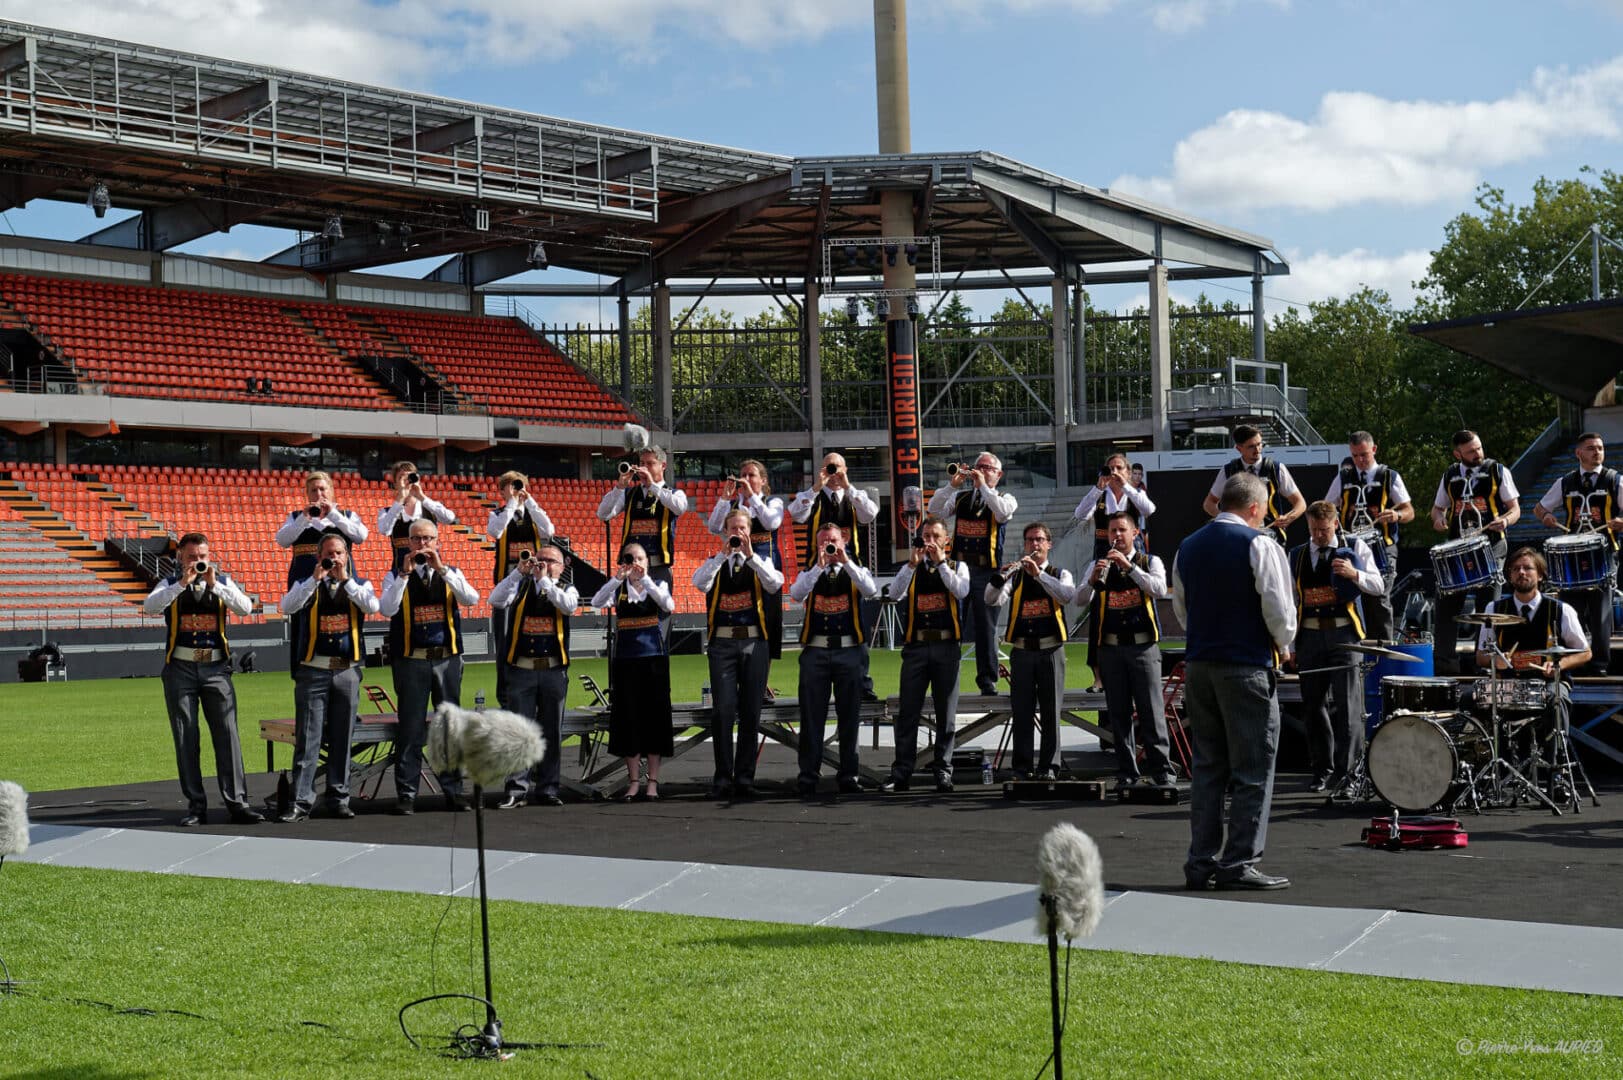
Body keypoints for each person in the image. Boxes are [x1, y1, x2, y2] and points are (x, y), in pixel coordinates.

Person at [1172, 472, 1297, 891]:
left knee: (1208, 768)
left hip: (1199, 665)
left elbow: (1182, 610)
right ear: (1257, 508)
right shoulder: (1260, 543)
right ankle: (1239, 861)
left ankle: (1200, 861)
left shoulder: (1187, 547)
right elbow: (1278, 610)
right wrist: (1284, 645)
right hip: (1244, 665)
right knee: (1253, 767)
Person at [142, 532, 264, 826]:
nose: (198, 562)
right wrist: (182, 583)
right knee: (186, 737)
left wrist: (215, 586)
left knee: (227, 735)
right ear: (180, 558)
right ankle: (196, 805)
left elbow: (245, 608)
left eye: (202, 557)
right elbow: (150, 607)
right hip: (181, 668)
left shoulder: (221, 582)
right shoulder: (169, 584)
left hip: (216, 668)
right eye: (192, 557)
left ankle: (238, 802)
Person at [276, 531, 380, 822]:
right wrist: (314, 579)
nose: (333, 558)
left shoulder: (360, 584)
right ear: (319, 556)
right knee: (308, 737)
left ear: (348, 556)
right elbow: (287, 606)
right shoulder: (306, 584)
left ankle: (339, 797)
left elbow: (372, 607)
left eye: (339, 553)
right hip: (314, 669)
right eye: (328, 554)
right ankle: (300, 800)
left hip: (347, 669)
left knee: (342, 736)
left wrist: (346, 579)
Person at [378, 518, 480, 814]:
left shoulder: (451, 573)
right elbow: (387, 609)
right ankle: (407, 794)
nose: (422, 545)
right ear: (407, 543)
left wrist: (443, 570)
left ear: (438, 542)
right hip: (412, 660)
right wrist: (403, 576)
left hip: (447, 658)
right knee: (410, 729)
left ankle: (453, 790)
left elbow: (471, 599)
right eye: (417, 540)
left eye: (428, 539)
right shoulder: (394, 575)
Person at [1288, 501, 1385, 794]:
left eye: (1324, 530)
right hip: (1309, 637)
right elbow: (1291, 603)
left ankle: (1348, 773)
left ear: (1335, 524)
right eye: (1314, 530)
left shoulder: (1354, 547)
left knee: (1348, 706)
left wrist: (1355, 575)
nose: (1319, 535)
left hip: (1344, 635)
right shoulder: (1297, 555)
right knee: (1313, 706)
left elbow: (1379, 585)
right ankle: (1322, 770)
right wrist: (1289, 644)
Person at [1076, 511, 1173, 794]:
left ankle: (1161, 770)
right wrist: (1093, 580)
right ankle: (1127, 771)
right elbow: (1078, 598)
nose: (1116, 536)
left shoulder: (1149, 561)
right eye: (1111, 531)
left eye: (1121, 530)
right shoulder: (1098, 563)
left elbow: (1157, 589)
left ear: (1135, 534)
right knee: (1118, 713)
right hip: (1111, 648)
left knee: (1151, 711)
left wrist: (1129, 567)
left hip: (1143, 646)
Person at [693, 509, 785, 799]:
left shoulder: (761, 561)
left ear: (750, 531)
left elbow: (775, 583)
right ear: (725, 531)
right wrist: (722, 555)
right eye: (733, 528)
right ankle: (722, 777)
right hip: (722, 645)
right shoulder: (715, 562)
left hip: (754, 643)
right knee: (722, 711)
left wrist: (750, 555)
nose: (737, 533)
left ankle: (745, 778)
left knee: (750, 712)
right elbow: (699, 583)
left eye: (742, 528)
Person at [1472, 548, 1590, 769]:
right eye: (1516, 569)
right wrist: (1493, 661)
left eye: (1528, 568)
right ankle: (1486, 772)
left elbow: (1585, 652)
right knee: (1468, 699)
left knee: (1558, 701)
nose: (1522, 573)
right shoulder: (1494, 609)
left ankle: (1559, 770)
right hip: (1506, 684)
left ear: (1541, 575)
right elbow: (1480, 656)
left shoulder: (1561, 610)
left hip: (1547, 682)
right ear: (1509, 576)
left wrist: (1559, 665)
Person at [790, 523, 880, 797]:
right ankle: (808, 775)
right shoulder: (811, 571)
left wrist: (845, 561)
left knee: (849, 717)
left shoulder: (855, 568)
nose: (828, 546)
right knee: (812, 717)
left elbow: (871, 590)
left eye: (833, 541)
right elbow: (796, 594)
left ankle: (849, 775)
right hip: (816, 650)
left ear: (844, 541)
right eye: (823, 542)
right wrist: (819, 565)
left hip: (848, 650)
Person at [882, 516, 970, 794]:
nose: (930, 542)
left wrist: (941, 562)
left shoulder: (958, 566)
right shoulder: (911, 568)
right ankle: (901, 773)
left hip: (946, 647)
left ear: (947, 540)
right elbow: (893, 595)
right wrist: (911, 564)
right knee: (908, 713)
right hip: (916, 648)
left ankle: (943, 770)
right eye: (925, 536)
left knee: (947, 714)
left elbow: (961, 590)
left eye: (935, 536)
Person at [984, 522, 1077, 780]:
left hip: (1051, 651)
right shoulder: (1016, 576)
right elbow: (991, 600)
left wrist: (1039, 575)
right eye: (1029, 541)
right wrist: (999, 579)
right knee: (1022, 713)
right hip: (1023, 652)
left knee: (1050, 712)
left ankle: (1049, 767)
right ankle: (1022, 768)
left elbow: (1067, 595)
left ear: (1049, 544)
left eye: (1039, 540)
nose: (1034, 545)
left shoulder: (1061, 573)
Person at [489, 541, 577, 808]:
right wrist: (519, 572)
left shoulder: (565, 588)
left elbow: (568, 607)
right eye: (541, 559)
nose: (544, 564)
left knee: (551, 731)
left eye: (551, 561)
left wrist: (545, 582)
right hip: (522, 670)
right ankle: (516, 788)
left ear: (562, 567)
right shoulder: (520, 585)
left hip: (552, 670)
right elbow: (495, 600)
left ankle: (548, 787)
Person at [1430, 429, 1521, 674]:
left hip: (1491, 544)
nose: (1478, 453)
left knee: (1487, 607)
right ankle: (1445, 666)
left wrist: (1506, 520)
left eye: (1479, 448)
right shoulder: (1449, 475)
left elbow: (1515, 509)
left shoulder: (1497, 470)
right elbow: (1437, 509)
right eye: (1471, 451)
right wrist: (1438, 520)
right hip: (1457, 550)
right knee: (1447, 605)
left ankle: (1484, 662)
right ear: (1457, 453)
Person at [591, 543, 676, 801]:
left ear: (648, 562)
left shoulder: (656, 586)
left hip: (653, 659)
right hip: (626, 660)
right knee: (629, 719)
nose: (635, 562)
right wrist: (616, 579)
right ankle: (633, 781)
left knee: (654, 720)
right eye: (630, 558)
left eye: (640, 558)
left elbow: (668, 604)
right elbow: (596, 601)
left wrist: (645, 579)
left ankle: (653, 782)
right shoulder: (619, 589)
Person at [928, 451, 1018, 696]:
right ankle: (946, 677)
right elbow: (934, 510)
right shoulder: (960, 496)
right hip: (958, 568)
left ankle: (988, 680)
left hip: (987, 571)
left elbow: (1002, 513)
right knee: (951, 624)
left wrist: (984, 488)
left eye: (988, 467)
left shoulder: (1005, 497)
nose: (981, 470)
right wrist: (951, 485)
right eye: (979, 466)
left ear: (998, 475)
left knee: (985, 628)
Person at [1533, 432, 1621, 676]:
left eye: (1600, 448)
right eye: (1591, 448)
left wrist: (1620, 521)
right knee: (1571, 610)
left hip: (1604, 553)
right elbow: (1539, 509)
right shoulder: (1565, 482)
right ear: (1578, 453)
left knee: (1600, 611)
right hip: (1571, 555)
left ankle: (1600, 665)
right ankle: (1575, 660)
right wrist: (1547, 518)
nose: (1597, 452)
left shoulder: (1615, 480)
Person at [1323, 432, 1413, 642]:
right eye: (1355, 456)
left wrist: (1396, 515)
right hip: (1352, 547)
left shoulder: (1390, 476)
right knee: (1348, 596)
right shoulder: (1343, 477)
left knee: (1379, 598)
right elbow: (1327, 507)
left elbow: (1410, 511)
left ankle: (1386, 654)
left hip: (1382, 547)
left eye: (1364, 455)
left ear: (1374, 450)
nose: (1360, 461)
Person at [486, 470, 556, 708]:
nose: (514, 490)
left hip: (533, 584)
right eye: (510, 487)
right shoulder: (497, 514)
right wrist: (511, 505)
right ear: (502, 491)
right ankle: (505, 697)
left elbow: (550, 530)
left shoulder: (534, 515)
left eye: (518, 486)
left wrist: (530, 502)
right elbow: (495, 531)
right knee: (504, 642)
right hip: (508, 584)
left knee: (532, 637)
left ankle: (532, 692)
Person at [706, 459, 787, 660]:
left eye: (751, 475)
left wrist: (752, 496)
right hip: (736, 564)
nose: (746, 479)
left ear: (763, 480)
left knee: (768, 621)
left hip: (764, 566)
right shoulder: (732, 505)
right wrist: (725, 497)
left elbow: (771, 522)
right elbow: (714, 528)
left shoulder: (773, 502)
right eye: (744, 475)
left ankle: (762, 677)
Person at [597, 444, 688, 591]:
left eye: (650, 464)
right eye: (642, 464)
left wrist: (652, 485)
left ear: (663, 465)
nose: (644, 468)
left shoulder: (674, 493)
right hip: (631, 567)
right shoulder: (629, 493)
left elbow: (679, 507)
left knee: (660, 612)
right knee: (631, 612)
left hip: (658, 566)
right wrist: (619, 487)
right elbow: (603, 514)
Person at [1202, 424, 1305, 545]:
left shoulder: (1276, 468)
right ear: (1239, 448)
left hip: (1270, 536)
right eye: (1251, 446)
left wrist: (1288, 518)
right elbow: (1209, 503)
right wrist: (1228, 520)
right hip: (1238, 537)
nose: (1257, 450)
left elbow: (1300, 503)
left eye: (1260, 444)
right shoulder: (1228, 470)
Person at [274, 470, 368, 586]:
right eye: (314, 490)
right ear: (307, 494)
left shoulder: (346, 516)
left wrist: (333, 514)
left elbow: (361, 537)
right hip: (303, 585)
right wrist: (304, 518)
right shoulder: (296, 517)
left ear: (331, 492)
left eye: (322, 489)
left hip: (340, 585)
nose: (319, 494)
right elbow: (282, 541)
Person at [787, 452, 878, 570]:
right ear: (822, 470)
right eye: (830, 467)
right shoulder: (811, 496)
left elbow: (870, 515)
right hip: (817, 567)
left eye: (837, 467)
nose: (834, 471)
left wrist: (848, 488)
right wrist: (815, 489)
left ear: (845, 469)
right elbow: (795, 515)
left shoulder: (855, 497)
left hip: (850, 567)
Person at [379, 460, 458, 576]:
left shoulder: (429, 507)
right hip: (402, 570)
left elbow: (449, 518)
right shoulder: (387, 512)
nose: (407, 481)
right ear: (395, 484)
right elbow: (385, 530)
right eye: (401, 478)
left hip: (431, 568)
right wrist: (401, 498)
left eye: (410, 477)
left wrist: (422, 497)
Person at [1073, 453, 1156, 562]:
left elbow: (1149, 510)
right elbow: (1080, 514)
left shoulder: (1136, 493)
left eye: (1119, 468)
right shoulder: (1099, 495)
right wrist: (1098, 488)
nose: (1114, 472)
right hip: (1104, 549)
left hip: (1132, 548)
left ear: (1128, 473)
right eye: (1111, 469)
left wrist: (1125, 486)